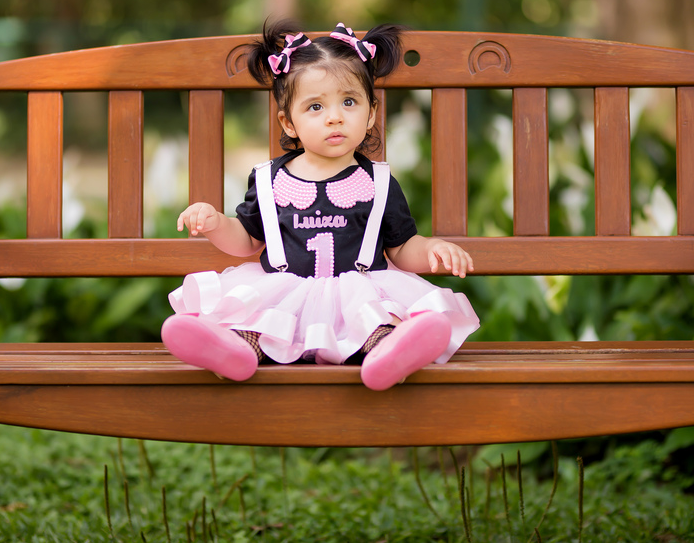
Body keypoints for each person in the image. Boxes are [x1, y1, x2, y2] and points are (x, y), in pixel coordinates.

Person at [162, 21, 479, 390]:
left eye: (349, 102)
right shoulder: (270, 180)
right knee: (256, 321)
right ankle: (234, 354)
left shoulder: (377, 182)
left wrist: (433, 249)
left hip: (357, 294)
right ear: (289, 122)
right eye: (315, 106)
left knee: (377, 323)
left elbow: (403, 249)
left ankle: (390, 356)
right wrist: (215, 221)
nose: (335, 116)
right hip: (285, 294)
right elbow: (248, 241)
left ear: (371, 113)